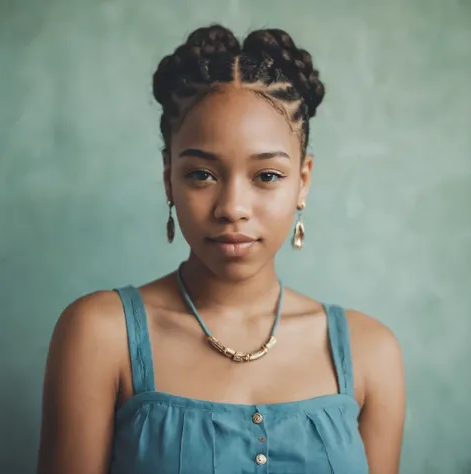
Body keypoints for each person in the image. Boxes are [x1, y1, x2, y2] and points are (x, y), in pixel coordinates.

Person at [37, 24, 406, 474]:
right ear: (168, 174)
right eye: (202, 174)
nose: (233, 208)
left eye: (267, 175)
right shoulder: (99, 334)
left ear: (303, 181)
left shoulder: (371, 352)